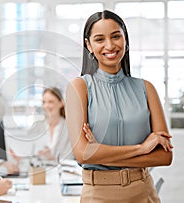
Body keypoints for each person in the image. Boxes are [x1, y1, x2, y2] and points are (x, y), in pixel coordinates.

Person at [65, 10, 173, 202]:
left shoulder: (146, 88)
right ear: (88, 45)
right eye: (99, 39)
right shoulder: (79, 87)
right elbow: (82, 154)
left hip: (144, 193)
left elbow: (164, 157)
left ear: (125, 39)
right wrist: (142, 148)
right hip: (98, 195)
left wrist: (99, 152)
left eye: (116, 36)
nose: (110, 45)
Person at [10, 87, 73, 161]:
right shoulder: (36, 126)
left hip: (61, 171)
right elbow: (30, 153)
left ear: (61, 103)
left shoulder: (69, 128)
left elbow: (70, 158)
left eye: (50, 102)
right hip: (39, 170)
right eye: (44, 102)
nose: (46, 106)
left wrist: (51, 158)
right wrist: (20, 158)